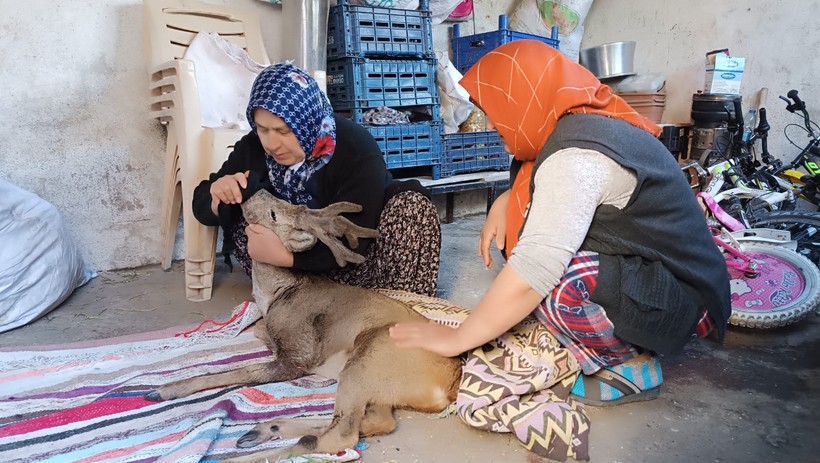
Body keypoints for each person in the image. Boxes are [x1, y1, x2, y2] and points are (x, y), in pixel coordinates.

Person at [390, 40, 731, 406]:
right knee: (536, 256)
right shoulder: (578, 124)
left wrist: (457, 339)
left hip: (690, 304)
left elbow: (532, 272)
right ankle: (612, 335)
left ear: (521, 98)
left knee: (556, 282)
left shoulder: (576, 156)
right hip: (663, 277)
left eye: (494, 109)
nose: (490, 123)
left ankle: (630, 367)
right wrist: (506, 200)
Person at [192, 63, 441, 297]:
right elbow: (201, 203)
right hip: (295, 281)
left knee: (413, 208)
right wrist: (218, 194)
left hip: (364, 267)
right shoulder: (254, 147)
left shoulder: (355, 147)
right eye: (262, 128)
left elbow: (357, 239)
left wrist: (287, 258)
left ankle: (402, 307)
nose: (272, 143)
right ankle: (303, 306)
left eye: (283, 131)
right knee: (243, 205)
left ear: (306, 121)